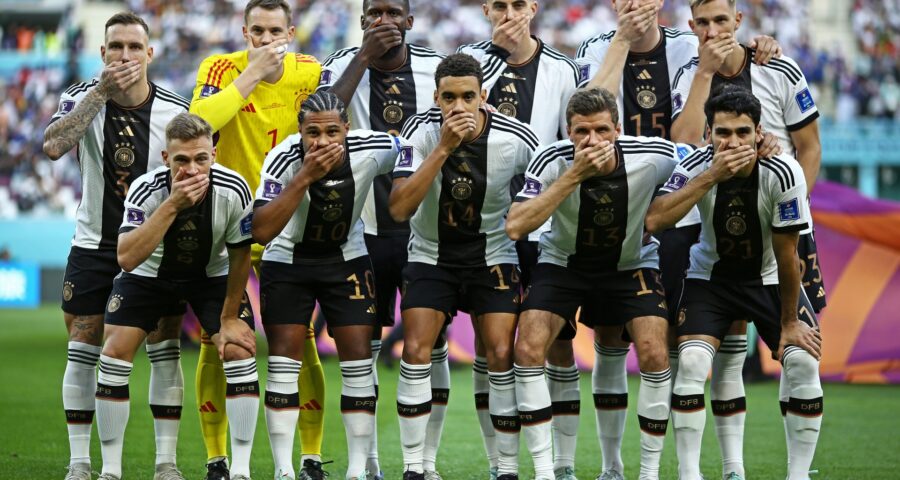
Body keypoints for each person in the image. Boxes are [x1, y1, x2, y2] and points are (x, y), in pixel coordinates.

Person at [575, 4, 780, 478]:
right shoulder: (593, 49)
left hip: (684, 212)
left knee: (697, 340)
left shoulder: (691, 46)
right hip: (617, 211)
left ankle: (719, 466)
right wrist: (622, 39)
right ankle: (613, 466)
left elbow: (722, 86)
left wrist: (761, 47)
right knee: (610, 335)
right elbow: (589, 109)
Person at [667, 2, 824, 478]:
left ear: (738, 20)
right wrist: (704, 73)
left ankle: (794, 470)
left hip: (781, 233)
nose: (713, 30)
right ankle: (731, 467)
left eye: (721, 20)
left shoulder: (778, 67)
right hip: (713, 226)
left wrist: (788, 210)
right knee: (723, 351)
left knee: (798, 356)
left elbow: (811, 146)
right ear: (692, 26)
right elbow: (684, 140)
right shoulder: (688, 74)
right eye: (703, 22)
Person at [508, 87, 695, 480]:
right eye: (580, 132)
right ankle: (548, 471)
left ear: (618, 129)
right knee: (526, 348)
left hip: (630, 265)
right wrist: (574, 174)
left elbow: (698, 162)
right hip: (563, 264)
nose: (591, 141)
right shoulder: (550, 160)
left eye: (601, 130)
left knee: (655, 354)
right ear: (568, 131)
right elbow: (516, 225)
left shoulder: (655, 155)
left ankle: (644, 473)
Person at [42, 12, 188, 480]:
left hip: (155, 248)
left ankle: (165, 462)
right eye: (115, 47)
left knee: (164, 347)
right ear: (102, 53)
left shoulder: (174, 111)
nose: (124, 55)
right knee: (82, 346)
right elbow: (52, 145)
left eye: (133, 46)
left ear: (150, 53)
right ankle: (81, 463)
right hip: (93, 245)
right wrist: (100, 91)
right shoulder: (82, 99)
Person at [188, 1, 324, 478]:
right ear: (244, 31)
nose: (267, 41)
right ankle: (217, 459)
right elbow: (200, 123)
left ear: (290, 31)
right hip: (227, 226)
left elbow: (331, 124)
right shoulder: (220, 67)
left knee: (298, 341)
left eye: (275, 32)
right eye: (257, 32)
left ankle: (309, 457)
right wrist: (250, 76)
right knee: (218, 341)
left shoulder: (309, 71)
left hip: (287, 224)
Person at [389, 53, 540, 480]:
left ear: (483, 97)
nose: (458, 106)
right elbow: (400, 209)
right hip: (429, 256)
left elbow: (549, 187)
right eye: (449, 97)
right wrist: (443, 148)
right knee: (416, 350)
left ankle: (504, 468)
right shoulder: (417, 133)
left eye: (467, 96)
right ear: (436, 98)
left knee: (499, 354)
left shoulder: (517, 139)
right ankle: (416, 468)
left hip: (492, 258)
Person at [251, 91, 410, 480]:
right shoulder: (283, 158)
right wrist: (305, 176)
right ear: (300, 132)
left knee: (358, 361)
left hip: (346, 259)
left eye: (332, 132)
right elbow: (261, 230)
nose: (322, 142)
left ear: (347, 130)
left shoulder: (371, 147)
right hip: (288, 260)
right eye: (313, 133)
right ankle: (284, 470)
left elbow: (410, 148)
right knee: (284, 364)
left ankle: (356, 470)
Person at [318, 1, 447, 476]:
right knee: (364, 347)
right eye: (375, 12)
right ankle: (367, 462)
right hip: (362, 230)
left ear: (410, 22)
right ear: (362, 21)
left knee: (430, 347)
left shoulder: (436, 68)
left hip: (425, 234)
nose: (384, 21)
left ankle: (426, 463)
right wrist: (362, 58)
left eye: (395, 12)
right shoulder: (340, 67)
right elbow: (319, 120)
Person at [94, 113, 259, 480]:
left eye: (201, 158)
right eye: (182, 160)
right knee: (114, 352)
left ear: (214, 155)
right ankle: (113, 470)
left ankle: (242, 470)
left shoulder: (234, 189)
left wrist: (230, 317)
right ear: (166, 158)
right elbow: (126, 257)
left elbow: (240, 254)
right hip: (149, 275)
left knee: (238, 350)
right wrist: (172, 204)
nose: (192, 168)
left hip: (210, 276)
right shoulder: (146, 189)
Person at [458, 3, 584, 476]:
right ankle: (500, 464)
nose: (509, 12)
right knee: (494, 346)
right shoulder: (468, 61)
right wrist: (495, 52)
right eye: (500, 4)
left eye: (518, 3)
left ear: (532, 7)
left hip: (544, 229)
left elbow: (571, 141)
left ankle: (564, 465)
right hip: (482, 229)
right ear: (486, 8)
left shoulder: (565, 69)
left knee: (556, 343)